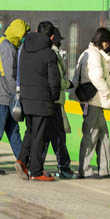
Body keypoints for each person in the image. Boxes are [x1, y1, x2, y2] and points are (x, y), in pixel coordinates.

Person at [0, 18, 29, 175]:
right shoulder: (8, 47)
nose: (25, 38)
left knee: (13, 130)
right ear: (18, 33)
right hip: (1, 96)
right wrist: (17, 95)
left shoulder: (4, 42)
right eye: (24, 34)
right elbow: (9, 76)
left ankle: (23, 161)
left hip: (3, 95)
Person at [15, 21, 61, 181]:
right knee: (39, 136)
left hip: (26, 98)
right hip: (42, 100)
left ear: (36, 30)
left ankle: (21, 160)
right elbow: (54, 81)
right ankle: (36, 171)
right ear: (52, 36)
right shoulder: (49, 54)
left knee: (30, 131)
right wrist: (53, 97)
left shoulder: (24, 49)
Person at [76, 27, 110, 178]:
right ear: (104, 42)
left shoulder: (88, 53)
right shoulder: (94, 55)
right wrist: (106, 92)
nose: (108, 47)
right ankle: (84, 169)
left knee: (103, 134)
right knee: (91, 134)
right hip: (94, 100)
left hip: (94, 101)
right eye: (108, 43)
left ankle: (105, 169)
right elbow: (96, 77)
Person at [41, 22, 74, 178]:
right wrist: (70, 84)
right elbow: (57, 80)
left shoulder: (49, 53)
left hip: (50, 101)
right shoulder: (53, 55)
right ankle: (64, 167)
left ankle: (36, 165)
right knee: (59, 136)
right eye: (59, 40)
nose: (61, 43)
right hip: (55, 101)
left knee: (47, 137)